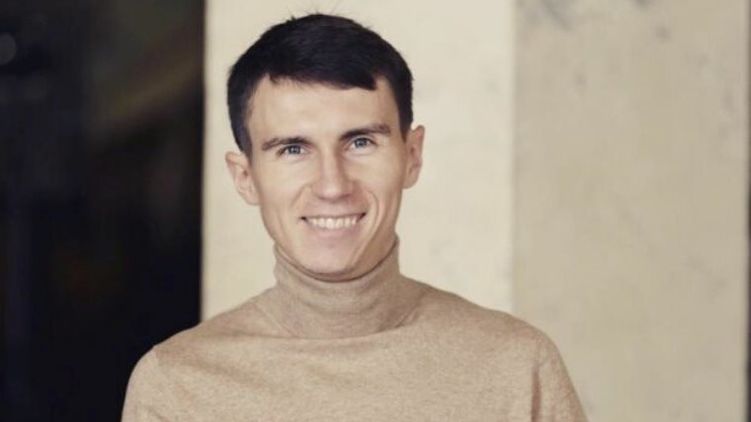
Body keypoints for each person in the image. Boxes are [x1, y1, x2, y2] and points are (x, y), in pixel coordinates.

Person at [122, 13, 587, 421]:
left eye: (361, 142)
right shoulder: (178, 386)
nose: (333, 185)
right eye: (293, 149)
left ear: (412, 155)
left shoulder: (517, 367)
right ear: (245, 177)